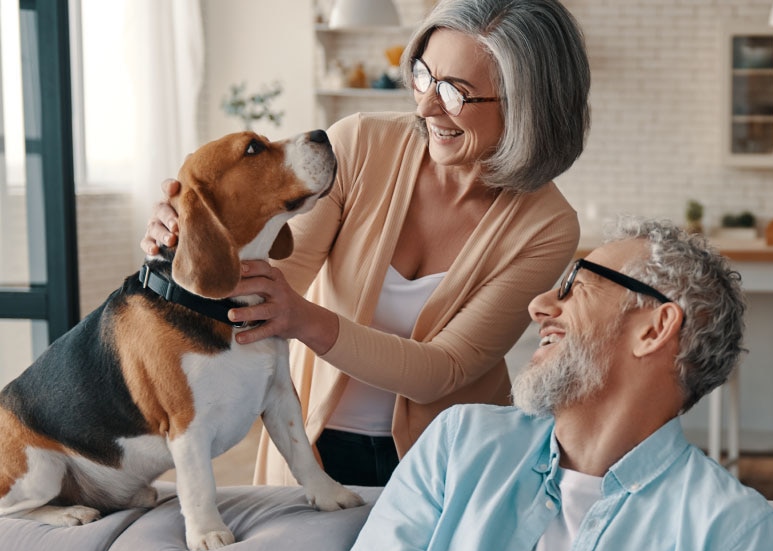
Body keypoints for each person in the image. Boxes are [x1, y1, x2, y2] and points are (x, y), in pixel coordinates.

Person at [140, 0, 590, 487]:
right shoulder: (359, 144)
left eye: (456, 93)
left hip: (449, 462)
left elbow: (445, 369)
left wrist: (304, 319)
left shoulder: (548, 227)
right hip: (311, 442)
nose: (425, 106)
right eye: (423, 76)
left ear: (528, 107)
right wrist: (188, 241)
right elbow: (268, 281)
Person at [339, 218, 773, 551]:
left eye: (575, 285)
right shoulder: (458, 446)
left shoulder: (734, 532)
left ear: (655, 329)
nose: (539, 306)